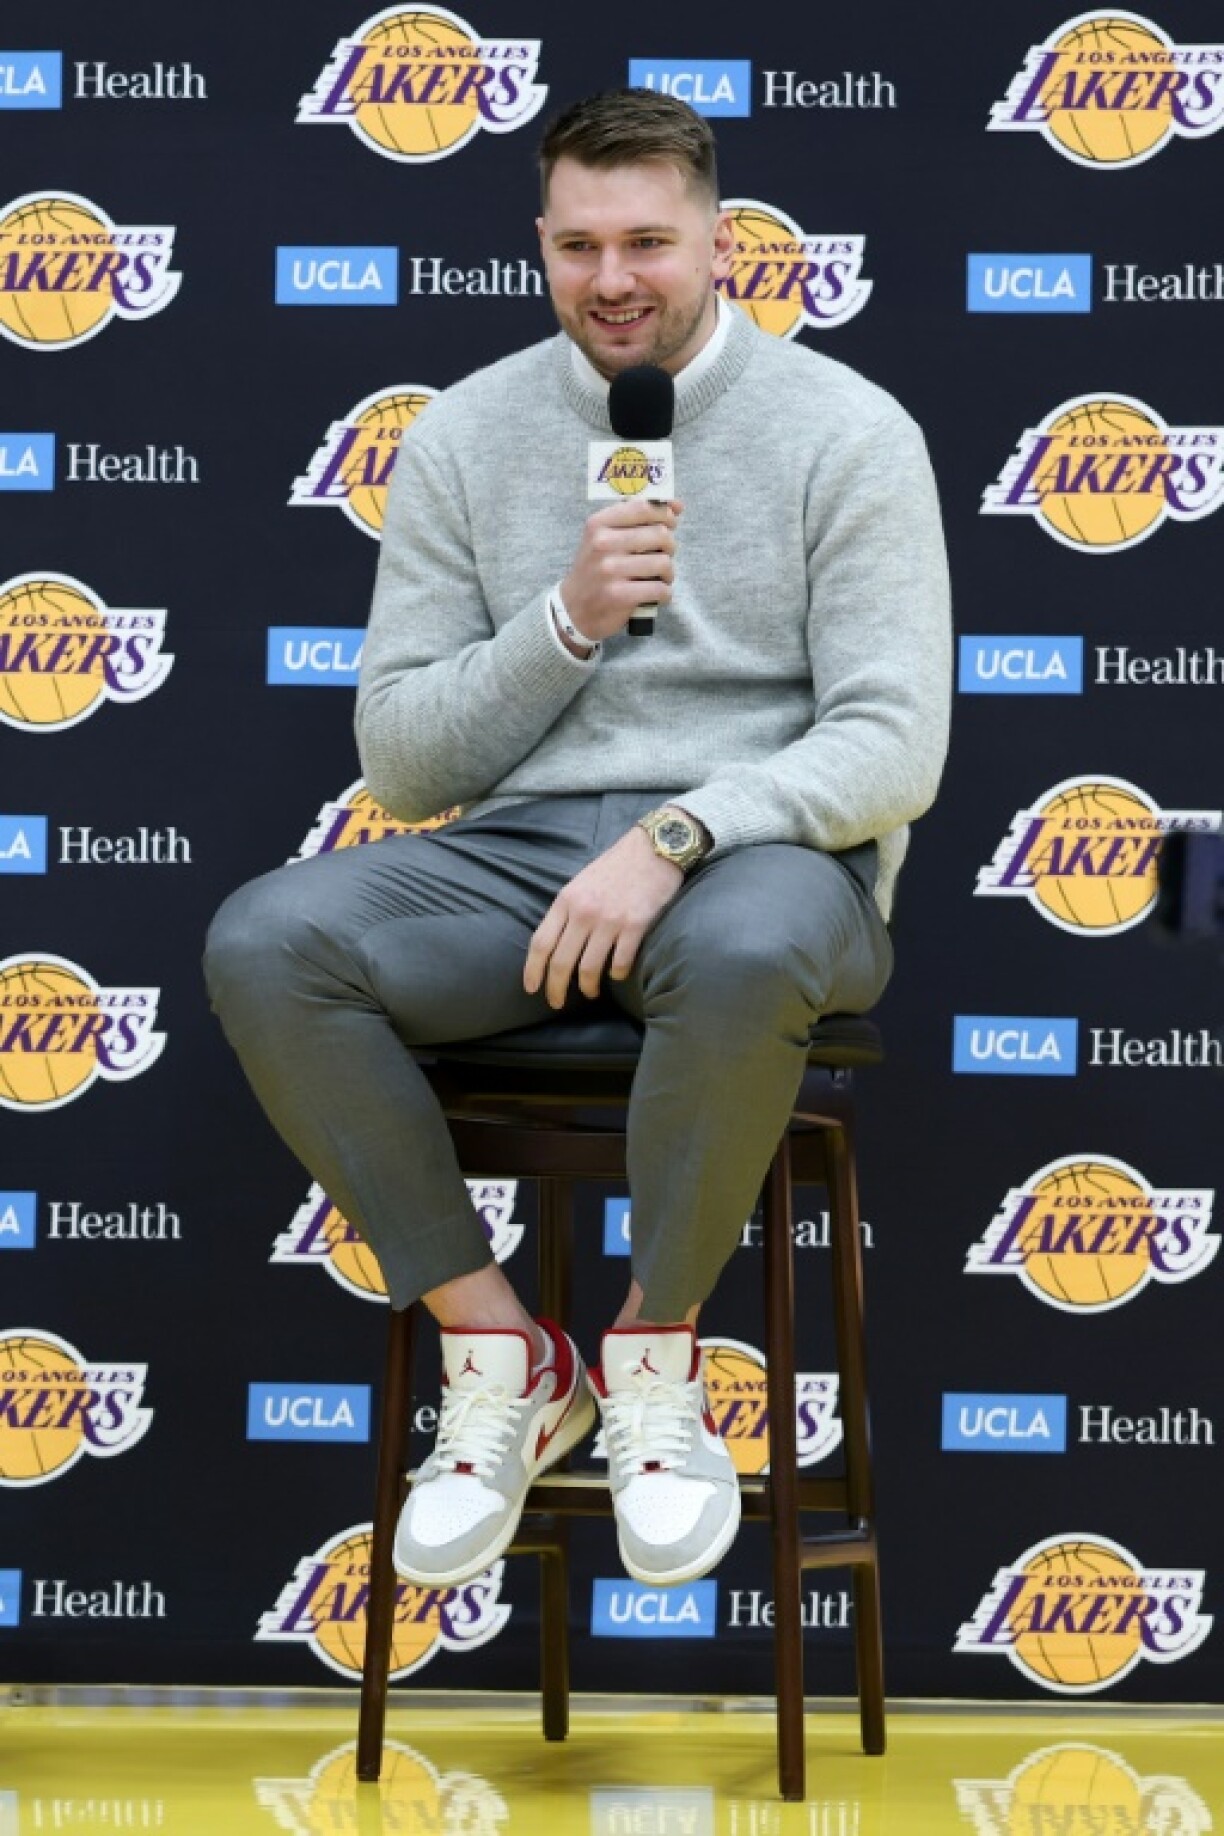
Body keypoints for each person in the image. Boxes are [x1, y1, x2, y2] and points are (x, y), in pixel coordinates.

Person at [204, 88, 951, 1594]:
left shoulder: (850, 431)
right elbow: (404, 762)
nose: (615, 278)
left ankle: (657, 1361)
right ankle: (502, 1357)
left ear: (721, 245)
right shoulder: (468, 434)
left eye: (650, 243)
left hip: (767, 865)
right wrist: (566, 621)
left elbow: (894, 745)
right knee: (267, 943)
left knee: (743, 945)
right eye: (580, 244)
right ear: (540, 246)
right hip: (522, 861)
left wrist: (681, 832)